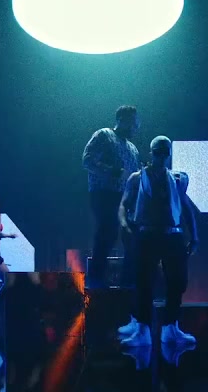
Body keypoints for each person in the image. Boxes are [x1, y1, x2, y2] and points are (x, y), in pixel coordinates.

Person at [118, 136, 198, 347]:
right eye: (157, 152)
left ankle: (171, 328)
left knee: (177, 281)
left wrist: (194, 235)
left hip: (172, 234)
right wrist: (125, 224)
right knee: (143, 282)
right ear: (151, 152)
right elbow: (124, 204)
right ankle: (142, 330)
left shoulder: (177, 179)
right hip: (147, 234)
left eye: (164, 152)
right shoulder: (137, 178)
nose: (161, 156)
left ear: (168, 154)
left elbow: (186, 207)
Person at [82, 105, 141, 289]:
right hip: (104, 194)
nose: (135, 128)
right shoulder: (104, 135)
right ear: (121, 120)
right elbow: (87, 160)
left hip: (126, 200)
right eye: (133, 123)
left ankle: (127, 284)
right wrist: (112, 171)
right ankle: (96, 282)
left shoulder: (133, 148)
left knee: (132, 237)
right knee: (107, 234)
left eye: (137, 124)